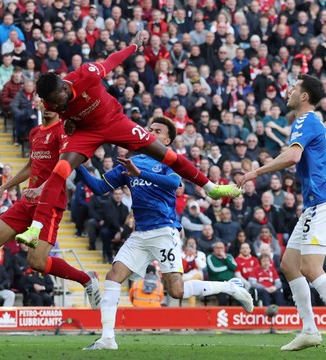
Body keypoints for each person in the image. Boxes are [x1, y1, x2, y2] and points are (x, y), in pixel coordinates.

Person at [16, 32, 242, 248]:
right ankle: (35, 229)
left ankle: (211, 188)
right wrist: (67, 122)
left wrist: (134, 46)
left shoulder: (88, 74)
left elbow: (113, 60)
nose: (57, 106)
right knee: (60, 170)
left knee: (169, 156)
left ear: (65, 87)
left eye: (59, 100)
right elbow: (62, 119)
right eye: (53, 104)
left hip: (115, 122)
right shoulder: (49, 101)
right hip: (86, 132)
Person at [81, 117, 252, 351]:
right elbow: (99, 187)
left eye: (157, 131)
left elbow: (173, 184)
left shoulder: (169, 161)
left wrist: (139, 172)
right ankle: (107, 338)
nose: (151, 132)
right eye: (149, 129)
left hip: (164, 230)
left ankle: (230, 287)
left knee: (176, 291)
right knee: (113, 277)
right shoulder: (129, 162)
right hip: (140, 233)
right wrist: (75, 163)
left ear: (167, 139)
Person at [237, 74, 326, 352]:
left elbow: (293, 156)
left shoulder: (304, 120)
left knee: (310, 267)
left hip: (322, 202)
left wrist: (255, 172)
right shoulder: (312, 122)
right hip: (316, 203)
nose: (289, 91)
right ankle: (309, 329)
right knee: (290, 265)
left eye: (293, 88)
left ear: (304, 96)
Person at [0, 107, 100, 317]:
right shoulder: (36, 132)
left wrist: (41, 188)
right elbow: (30, 166)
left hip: (50, 203)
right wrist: (3, 187)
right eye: (43, 102)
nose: (47, 107)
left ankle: (86, 279)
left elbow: (64, 169)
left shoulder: (63, 132)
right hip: (27, 201)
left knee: (36, 262)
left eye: (50, 102)